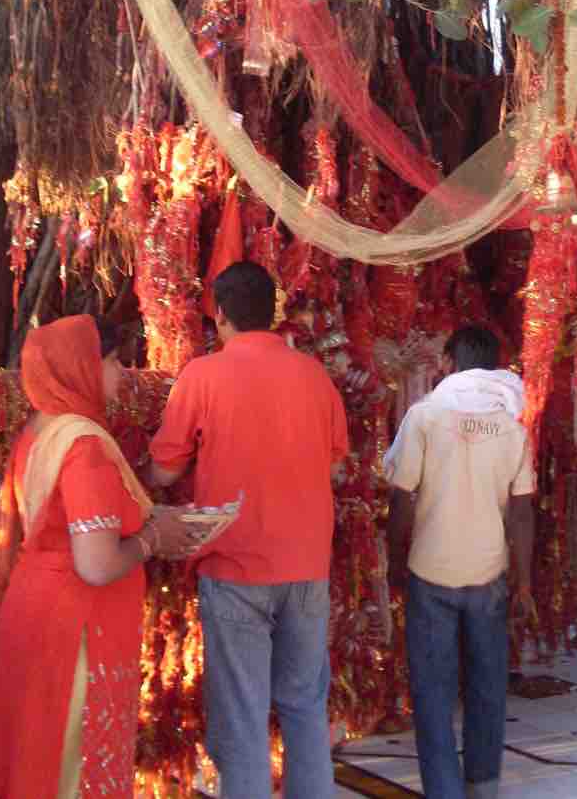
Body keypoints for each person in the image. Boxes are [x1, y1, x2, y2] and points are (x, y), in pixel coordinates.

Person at [149, 261, 349, 799]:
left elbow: (164, 469)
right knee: (306, 707)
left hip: (235, 565)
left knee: (241, 719)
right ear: (274, 313)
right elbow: (336, 466)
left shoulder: (202, 375)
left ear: (219, 315)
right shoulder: (313, 374)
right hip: (306, 567)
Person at [0, 315, 194, 799]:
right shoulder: (84, 447)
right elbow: (95, 565)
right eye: (115, 361)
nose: (123, 373)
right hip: (70, 632)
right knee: (64, 769)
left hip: (31, 614)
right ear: (83, 368)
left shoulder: (39, 430)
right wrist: (153, 539)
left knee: (31, 761)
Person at [385, 324, 535, 799]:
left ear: (448, 361)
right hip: (489, 571)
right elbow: (523, 510)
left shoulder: (425, 416)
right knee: (487, 685)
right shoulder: (511, 425)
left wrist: (394, 561)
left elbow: (402, 497)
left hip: (430, 570)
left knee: (432, 692)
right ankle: (483, 787)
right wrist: (526, 582)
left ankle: (443, 791)